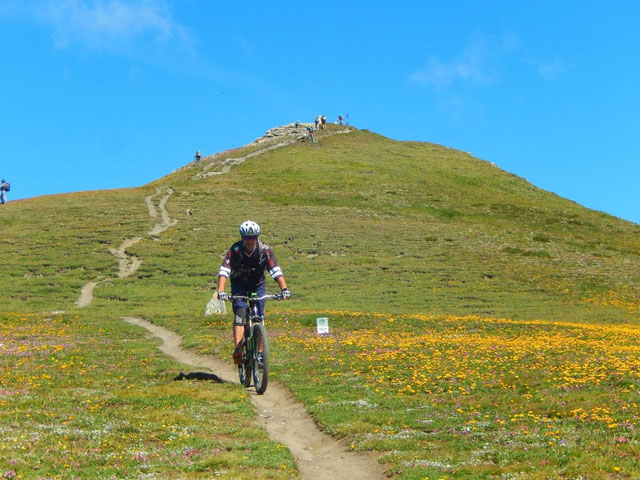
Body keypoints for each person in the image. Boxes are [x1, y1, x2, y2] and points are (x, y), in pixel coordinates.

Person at [216, 220, 291, 364]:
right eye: (247, 238)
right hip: (239, 285)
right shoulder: (236, 250)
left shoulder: (265, 250)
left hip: (257, 285)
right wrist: (221, 291)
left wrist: (284, 289)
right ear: (242, 238)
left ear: (257, 237)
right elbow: (224, 271)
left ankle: (261, 353)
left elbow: (275, 270)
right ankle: (238, 349)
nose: (250, 241)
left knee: (259, 317)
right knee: (240, 312)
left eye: (253, 237)